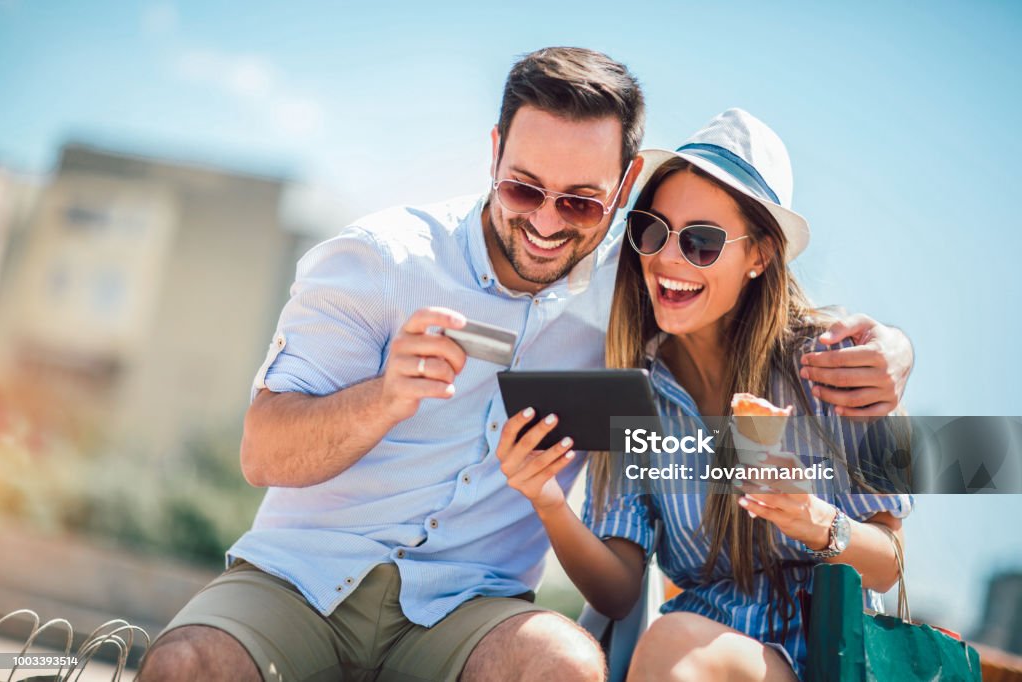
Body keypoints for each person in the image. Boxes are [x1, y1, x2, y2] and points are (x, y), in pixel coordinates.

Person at [138, 49, 913, 682]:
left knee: (577, 665)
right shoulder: (388, 264)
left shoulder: (666, 308)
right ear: (494, 154)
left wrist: (894, 356)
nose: (546, 220)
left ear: (617, 194)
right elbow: (261, 452)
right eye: (522, 187)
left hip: (479, 614)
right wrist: (388, 398)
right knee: (188, 666)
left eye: (580, 202)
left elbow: (898, 527)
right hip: (305, 580)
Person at [495, 108, 912, 681]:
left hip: (823, 659)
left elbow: (890, 564)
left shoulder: (835, 366)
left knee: (673, 645)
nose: (667, 258)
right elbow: (618, 591)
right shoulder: (633, 392)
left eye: (702, 242)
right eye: (653, 230)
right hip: (683, 653)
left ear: (760, 255)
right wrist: (546, 499)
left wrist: (812, 518)